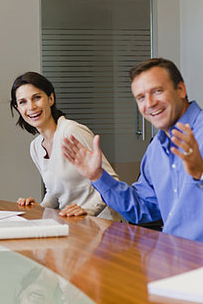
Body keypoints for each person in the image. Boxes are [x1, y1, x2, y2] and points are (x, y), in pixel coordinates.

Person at [62, 58, 203, 254]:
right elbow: (142, 208)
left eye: (157, 91)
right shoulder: (157, 147)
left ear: (181, 90)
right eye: (140, 98)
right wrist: (97, 176)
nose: (149, 103)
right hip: (173, 257)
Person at [11, 72, 121, 220]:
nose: (31, 107)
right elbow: (54, 192)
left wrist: (87, 211)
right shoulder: (36, 147)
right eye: (23, 102)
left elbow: (112, 181)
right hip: (71, 223)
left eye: (37, 98)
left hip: (101, 223)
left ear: (50, 99)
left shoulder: (72, 131)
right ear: (18, 108)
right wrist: (39, 208)